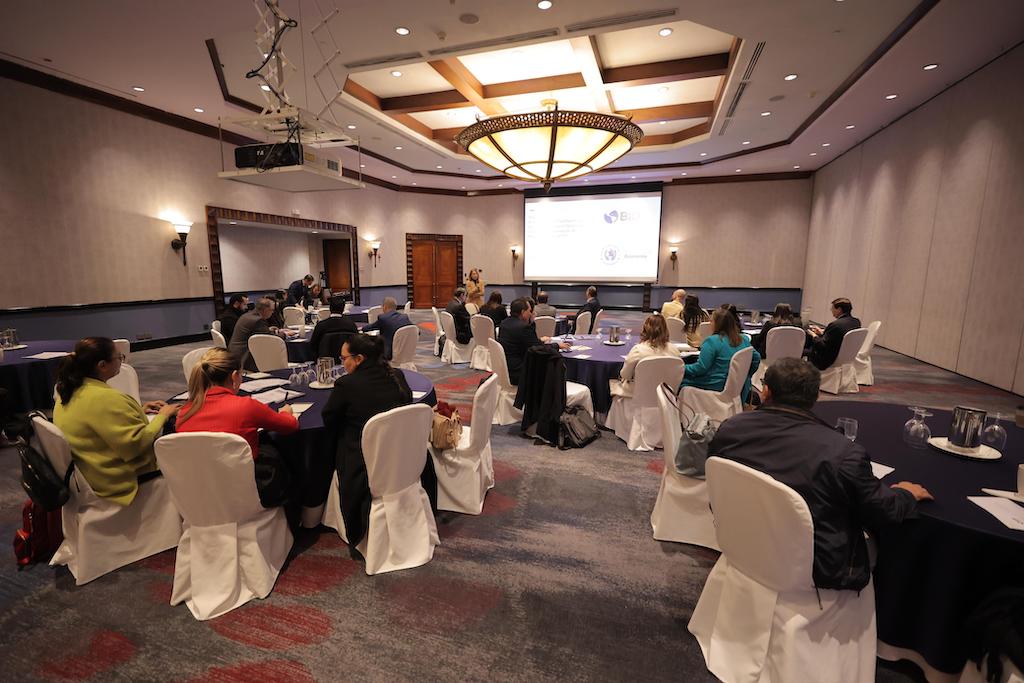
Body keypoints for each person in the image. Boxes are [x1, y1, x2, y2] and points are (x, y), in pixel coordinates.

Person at [708, 358, 932, 591]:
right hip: (814, 567)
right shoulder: (843, 453)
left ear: (766, 391)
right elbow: (882, 511)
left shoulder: (730, 429)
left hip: (739, 539)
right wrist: (906, 494)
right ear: (815, 397)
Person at [321, 334, 431, 550]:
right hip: (403, 457)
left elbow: (329, 420)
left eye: (343, 359)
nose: (342, 364)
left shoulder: (346, 385)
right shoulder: (396, 375)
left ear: (359, 359)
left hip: (366, 465)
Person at [52, 337, 178, 506]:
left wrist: (138, 411)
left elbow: (96, 421)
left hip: (90, 474)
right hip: (119, 481)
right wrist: (163, 415)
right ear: (102, 365)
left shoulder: (69, 390)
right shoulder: (105, 398)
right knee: (186, 459)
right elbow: (136, 445)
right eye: (119, 357)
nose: (121, 361)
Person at [175, 348, 299, 507]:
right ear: (234, 376)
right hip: (248, 492)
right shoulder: (245, 406)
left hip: (201, 493)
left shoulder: (184, 413)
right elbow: (290, 426)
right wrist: (286, 413)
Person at [680, 308, 761, 403]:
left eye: (712, 321)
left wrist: (681, 367)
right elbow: (756, 358)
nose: (710, 323)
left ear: (717, 324)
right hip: (738, 387)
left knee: (680, 381)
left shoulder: (711, 341)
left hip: (715, 385)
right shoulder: (744, 339)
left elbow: (700, 368)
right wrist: (746, 376)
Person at [498, 297, 570, 385]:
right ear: (523, 312)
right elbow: (539, 349)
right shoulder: (524, 328)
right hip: (521, 372)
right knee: (554, 361)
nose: (531, 313)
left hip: (506, 369)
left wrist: (540, 340)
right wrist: (557, 345)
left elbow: (525, 343)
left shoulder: (504, 323)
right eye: (529, 311)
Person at [610, 315, 681, 397]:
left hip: (638, 395)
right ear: (666, 329)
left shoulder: (638, 350)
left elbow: (625, 375)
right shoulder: (675, 350)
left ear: (645, 329)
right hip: (666, 396)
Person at [229, 297, 287, 371]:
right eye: (272, 310)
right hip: (245, 357)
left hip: (235, 354)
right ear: (265, 310)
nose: (272, 313)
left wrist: (269, 330)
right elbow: (272, 341)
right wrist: (284, 334)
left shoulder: (247, 315)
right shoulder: (258, 320)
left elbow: (259, 333)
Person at [806, 297, 862, 370]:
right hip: (846, 356)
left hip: (828, 360)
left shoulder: (835, 325)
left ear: (839, 309)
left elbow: (822, 347)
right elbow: (839, 336)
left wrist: (813, 335)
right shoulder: (856, 322)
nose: (831, 310)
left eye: (832, 308)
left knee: (808, 344)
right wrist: (822, 332)